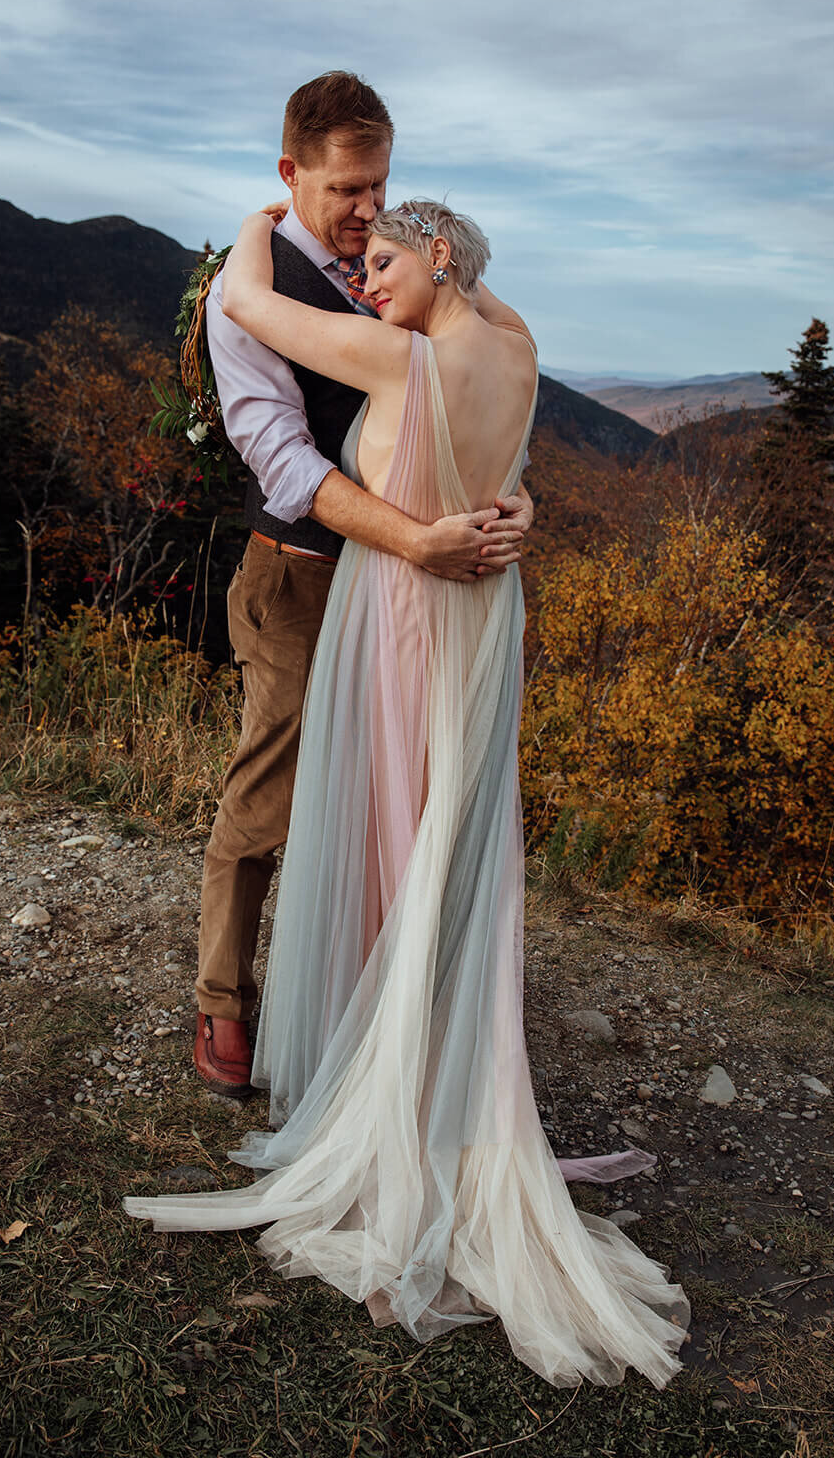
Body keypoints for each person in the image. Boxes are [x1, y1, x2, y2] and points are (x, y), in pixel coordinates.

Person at [126, 199, 689, 1388]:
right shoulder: (520, 344)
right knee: (453, 855)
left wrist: (251, 219)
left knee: (399, 852)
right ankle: (439, 1080)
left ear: (435, 256)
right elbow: (510, 437)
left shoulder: (401, 353)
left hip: (405, 622)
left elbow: (243, 302)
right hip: (488, 622)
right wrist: (519, 499)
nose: (366, 281)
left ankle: (395, 1113)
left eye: (382, 261)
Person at [194, 73, 532, 1097]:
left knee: (395, 810)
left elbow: (463, 410)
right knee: (275, 793)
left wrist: (514, 503)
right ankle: (222, 1003)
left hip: (410, 603)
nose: (361, 211)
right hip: (301, 580)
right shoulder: (242, 297)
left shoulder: (390, 273)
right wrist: (417, 539)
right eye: (343, 188)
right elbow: (283, 461)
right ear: (291, 173)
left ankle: (368, 1021)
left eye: (377, 185)